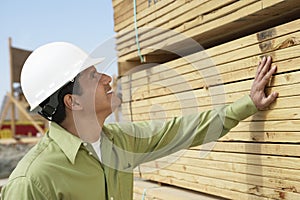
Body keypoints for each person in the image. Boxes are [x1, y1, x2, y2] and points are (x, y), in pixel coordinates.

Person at [1, 42, 278, 200]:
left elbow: (183, 130)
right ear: (72, 101)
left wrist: (248, 104)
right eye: (94, 76)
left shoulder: (120, 142)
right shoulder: (32, 183)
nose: (108, 79)